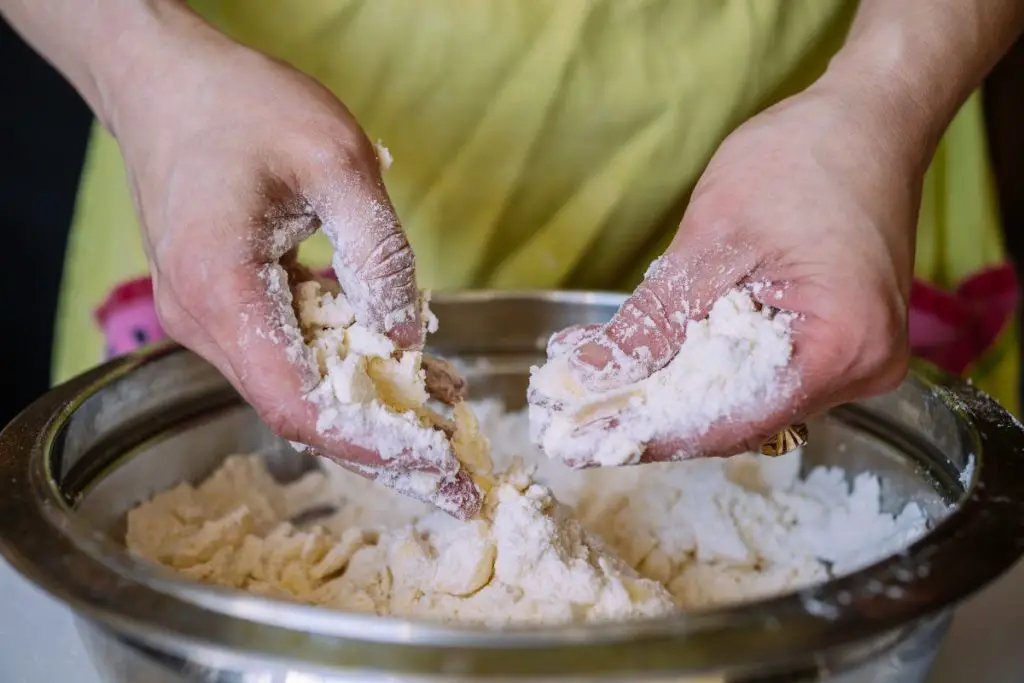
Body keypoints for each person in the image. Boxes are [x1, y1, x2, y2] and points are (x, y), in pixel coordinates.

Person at [2, 1, 1021, 511]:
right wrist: (141, 63)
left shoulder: (861, 115)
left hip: (814, 140)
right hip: (232, 146)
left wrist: (886, 96)